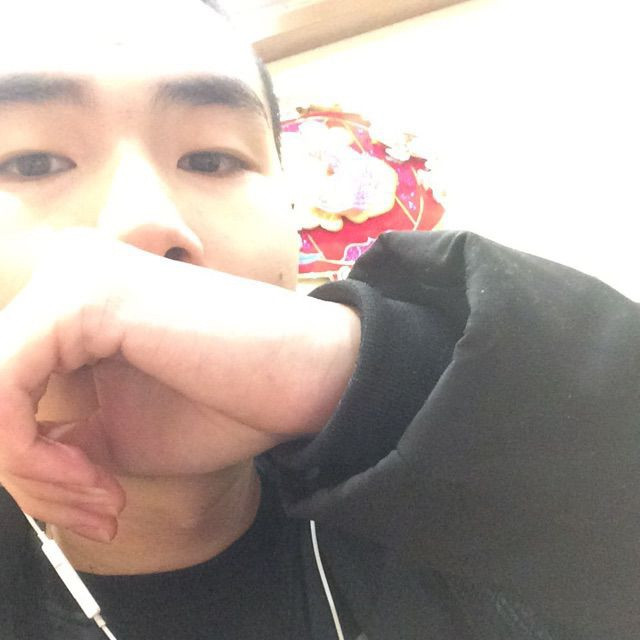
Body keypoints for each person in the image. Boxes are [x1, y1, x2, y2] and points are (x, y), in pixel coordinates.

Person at [0, 1, 638, 639]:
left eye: (210, 159)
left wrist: (370, 376)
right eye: (31, 162)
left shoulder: (486, 532)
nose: (143, 223)